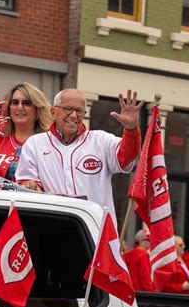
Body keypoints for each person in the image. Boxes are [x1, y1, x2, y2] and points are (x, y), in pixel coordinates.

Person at [16, 88, 143, 221]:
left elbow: (127, 155)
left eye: (79, 111)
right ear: (53, 112)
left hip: (95, 231)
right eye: (68, 109)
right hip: (52, 227)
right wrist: (30, 185)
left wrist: (131, 130)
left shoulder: (101, 140)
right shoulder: (35, 144)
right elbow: (28, 185)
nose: (73, 115)